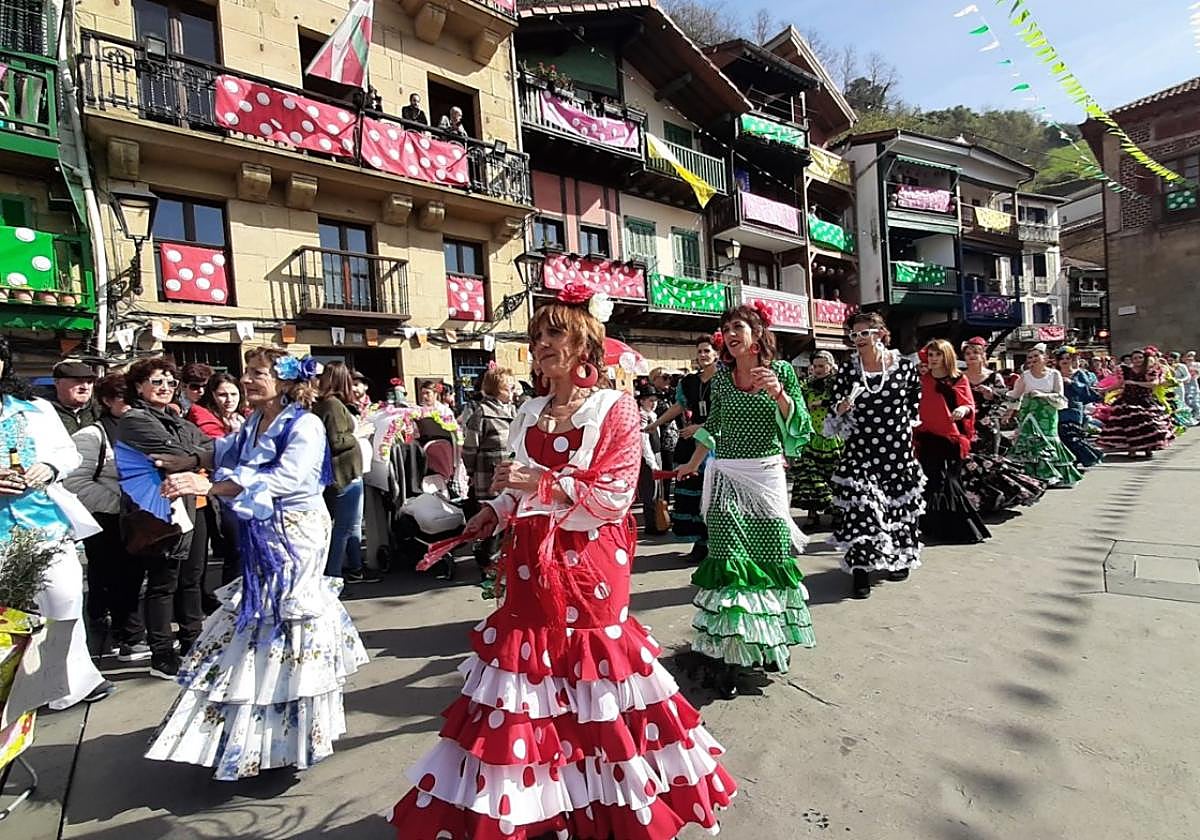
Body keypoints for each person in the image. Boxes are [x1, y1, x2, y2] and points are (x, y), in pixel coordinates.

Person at [389, 286, 736, 838]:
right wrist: (493, 511)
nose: (541, 344)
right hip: (529, 561)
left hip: (591, 563)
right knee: (529, 678)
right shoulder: (529, 409)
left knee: (594, 675)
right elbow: (517, 486)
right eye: (536, 336)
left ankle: (612, 805)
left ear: (584, 345)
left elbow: (616, 495)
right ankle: (542, 807)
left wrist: (538, 482)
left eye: (554, 333)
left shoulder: (615, 408)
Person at [144, 348, 368, 780]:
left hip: (296, 534)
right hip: (260, 532)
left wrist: (209, 487)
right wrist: (190, 462)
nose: (247, 379)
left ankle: (290, 733)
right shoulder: (253, 422)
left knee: (285, 618)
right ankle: (254, 733)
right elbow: (225, 451)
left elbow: (286, 479)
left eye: (257, 372)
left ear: (283, 382)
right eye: (247, 371)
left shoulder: (305, 424)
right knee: (257, 618)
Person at [675, 303, 814, 698]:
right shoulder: (720, 379)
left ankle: (766, 641)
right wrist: (693, 463)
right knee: (729, 560)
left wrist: (780, 394)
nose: (730, 333)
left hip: (766, 477)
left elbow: (799, 425)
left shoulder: (782, 372)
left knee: (768, 561)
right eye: (726, 328)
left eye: (737, 326)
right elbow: (713, 428)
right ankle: (733, 658)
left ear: (756, 332)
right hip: (726, 476)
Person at [0, 338, 112, 707]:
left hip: (45, 523)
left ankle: (72, 681)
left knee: (63, 602)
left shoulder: (34, 409)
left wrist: (48, 468)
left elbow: (67, 454)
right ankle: (19, 686)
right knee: (12, 616)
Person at [115, 357, 212, 679]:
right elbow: (168, 454)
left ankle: (192, 640)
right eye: (157, 381)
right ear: (139, 386)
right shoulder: (135, 420)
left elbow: (209, 448)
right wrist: (195, 456)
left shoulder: (178, 419)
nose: (166, 388)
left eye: (171, 382)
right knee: (162, 582)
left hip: (193, 505)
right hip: (160, 512)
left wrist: (192, 456)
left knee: (192, 580)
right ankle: (161, 653)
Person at [827, 311, 924, 600]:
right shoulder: (848, 370)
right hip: (860, 450)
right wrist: (841, 408)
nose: (857, 339)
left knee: (897, 506)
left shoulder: (904, 367)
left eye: (863, 333)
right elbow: (834, 405)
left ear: (880, 333)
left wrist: (906, 426)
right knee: (861, 508)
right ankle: (860, 571)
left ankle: (899, 557)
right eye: (853, 334)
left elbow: (914, 399)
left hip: (895, 451)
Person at [64, 373, 150, 663]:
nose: (130, 406)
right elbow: (76, 483)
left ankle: (128, 632)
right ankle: (120, 636)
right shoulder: (92, 436)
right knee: (109, 578)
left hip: (136, 519)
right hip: (106, 520)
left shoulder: (141, 430)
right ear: (106, 401)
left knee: (133, 577)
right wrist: (117, 504)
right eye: (123, 400)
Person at [646, 337, 719, 562]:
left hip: (717, 438)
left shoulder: (725, 379)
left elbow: (729, 413)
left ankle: (716, 543)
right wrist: (654, 424)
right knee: (691, 494)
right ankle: (700, 543)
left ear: (716, 353)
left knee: (713, 495)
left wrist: (702, 426)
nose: (703, 354)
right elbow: (679, 407)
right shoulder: (688, 382)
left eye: (707, 350)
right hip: (691, 441)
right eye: (700, 351)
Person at [915, 340, 990, 544]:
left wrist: (962, 410)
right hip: (926, 438)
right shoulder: (922, 380)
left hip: (951, 439)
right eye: (930, 355)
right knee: (932, 482)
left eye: (937, 355)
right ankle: (934, 527)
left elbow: (969, 405)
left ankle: (964, 529)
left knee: (950, 482)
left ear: (946, 356)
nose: (933, 359)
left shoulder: (959, 379)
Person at [959, 338, 1046, 512]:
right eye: (968, 354)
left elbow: (1005, 397)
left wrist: (991, 394)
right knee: (968, 463)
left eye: (975, 353)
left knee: (989, 463)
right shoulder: (959, 376)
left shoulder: (993, 376)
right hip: (965, 425)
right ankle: (974, 501)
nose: (971, 357)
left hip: (987, 425)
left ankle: (996, 498)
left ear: (983, 355)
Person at [313, 361, 371, 582]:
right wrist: (359, 434)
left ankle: (356, 568)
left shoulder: (324, 404)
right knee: (343, 529)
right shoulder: (333, 405)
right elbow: (336, 440)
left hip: (343, 474)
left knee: (351, 525)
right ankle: (332, 576)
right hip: (344, 475)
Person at [189, 372, 248, 587]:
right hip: (214, 490)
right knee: (233, 549)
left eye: (234, 394)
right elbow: (213, 454)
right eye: (223, 394)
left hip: (243, 488)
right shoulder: (202, 418)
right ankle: (228, 598)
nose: (229, 399)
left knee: (244, 549)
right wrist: (233, 436)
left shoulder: (246, 417)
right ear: (212, 395)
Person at [458, 364, 516, 577]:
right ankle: (486, 563)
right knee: (491, 519)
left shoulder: (513, 411)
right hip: (487, 475)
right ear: (495, 388)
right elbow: (470, 448)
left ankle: (501, 561)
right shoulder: (482, 412)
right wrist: (471, 473)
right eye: (507, 387)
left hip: (509, 475)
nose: (512, 391)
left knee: (509, 518)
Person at [1004, 344, 1083, 487]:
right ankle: (1032, 476)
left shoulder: (1054, 374)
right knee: (1030, 441)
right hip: (1029, 414)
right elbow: (1015, 395)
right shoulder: (1025, 375)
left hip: (1047, 414)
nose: (1032, 359)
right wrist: (1004, 405)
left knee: (1048, 441)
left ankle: (1054, 475)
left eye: (1036, 356)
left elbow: (1060, 396)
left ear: (1045, 358)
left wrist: (1043, 395)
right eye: (1030, 357)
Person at [790, 350, 844, 529]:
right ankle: (812, 514)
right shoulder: (806, 385)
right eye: (815, 366)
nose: (818, 369)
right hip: (811, 437)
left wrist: (821, 404)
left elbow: (843, 402)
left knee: (834, 477)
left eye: (822, 366)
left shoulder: (838, 384)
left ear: (830, 366)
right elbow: (798, 404)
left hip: (833, 437)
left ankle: (837, 513)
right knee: (808, 477)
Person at [1095, 348, 1175, 457]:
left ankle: (1148, 448)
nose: (1137, 360)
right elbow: (1120, 383)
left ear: (1144, 359)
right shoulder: (1126, 370)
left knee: (1148, 424)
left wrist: (1134, 382)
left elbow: (1154, 384)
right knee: (1129, 424)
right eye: (1134, 358)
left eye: (1140, 358)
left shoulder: (1150, 371)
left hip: (1145, 400)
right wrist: (1105, 389)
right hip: (1127, 400)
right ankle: (1132, 449)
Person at [1055, 347, 1104, 468]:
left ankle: (1086, 458)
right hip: (1057, 408)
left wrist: (1072, 383)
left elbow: (1086, 391)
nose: (1065, 361)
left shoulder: (1079, 373)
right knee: (1060, 437)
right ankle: (1069, 462)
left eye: (1068, 358)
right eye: (1062, 358)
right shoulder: (1054, 374)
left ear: (1072, 360)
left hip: (1074, 408)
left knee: (1073, 436)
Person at [636, 381, 664, 535]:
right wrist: (652, 462)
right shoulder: (641, 417)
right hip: (648, 457)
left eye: (655, 400)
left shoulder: (652, 415)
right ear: (642, 401)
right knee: (650, 492)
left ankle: (659, 521)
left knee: (657, 491)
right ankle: (651, 525)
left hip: (657, 453)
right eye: (650, 400)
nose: (653, 404)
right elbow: (644, 442)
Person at [48, 359, 100, 434]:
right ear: (57, 382)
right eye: (78, 381)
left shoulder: (100, 410)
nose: (85, 387)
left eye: (89, 382)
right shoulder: (42, 411)